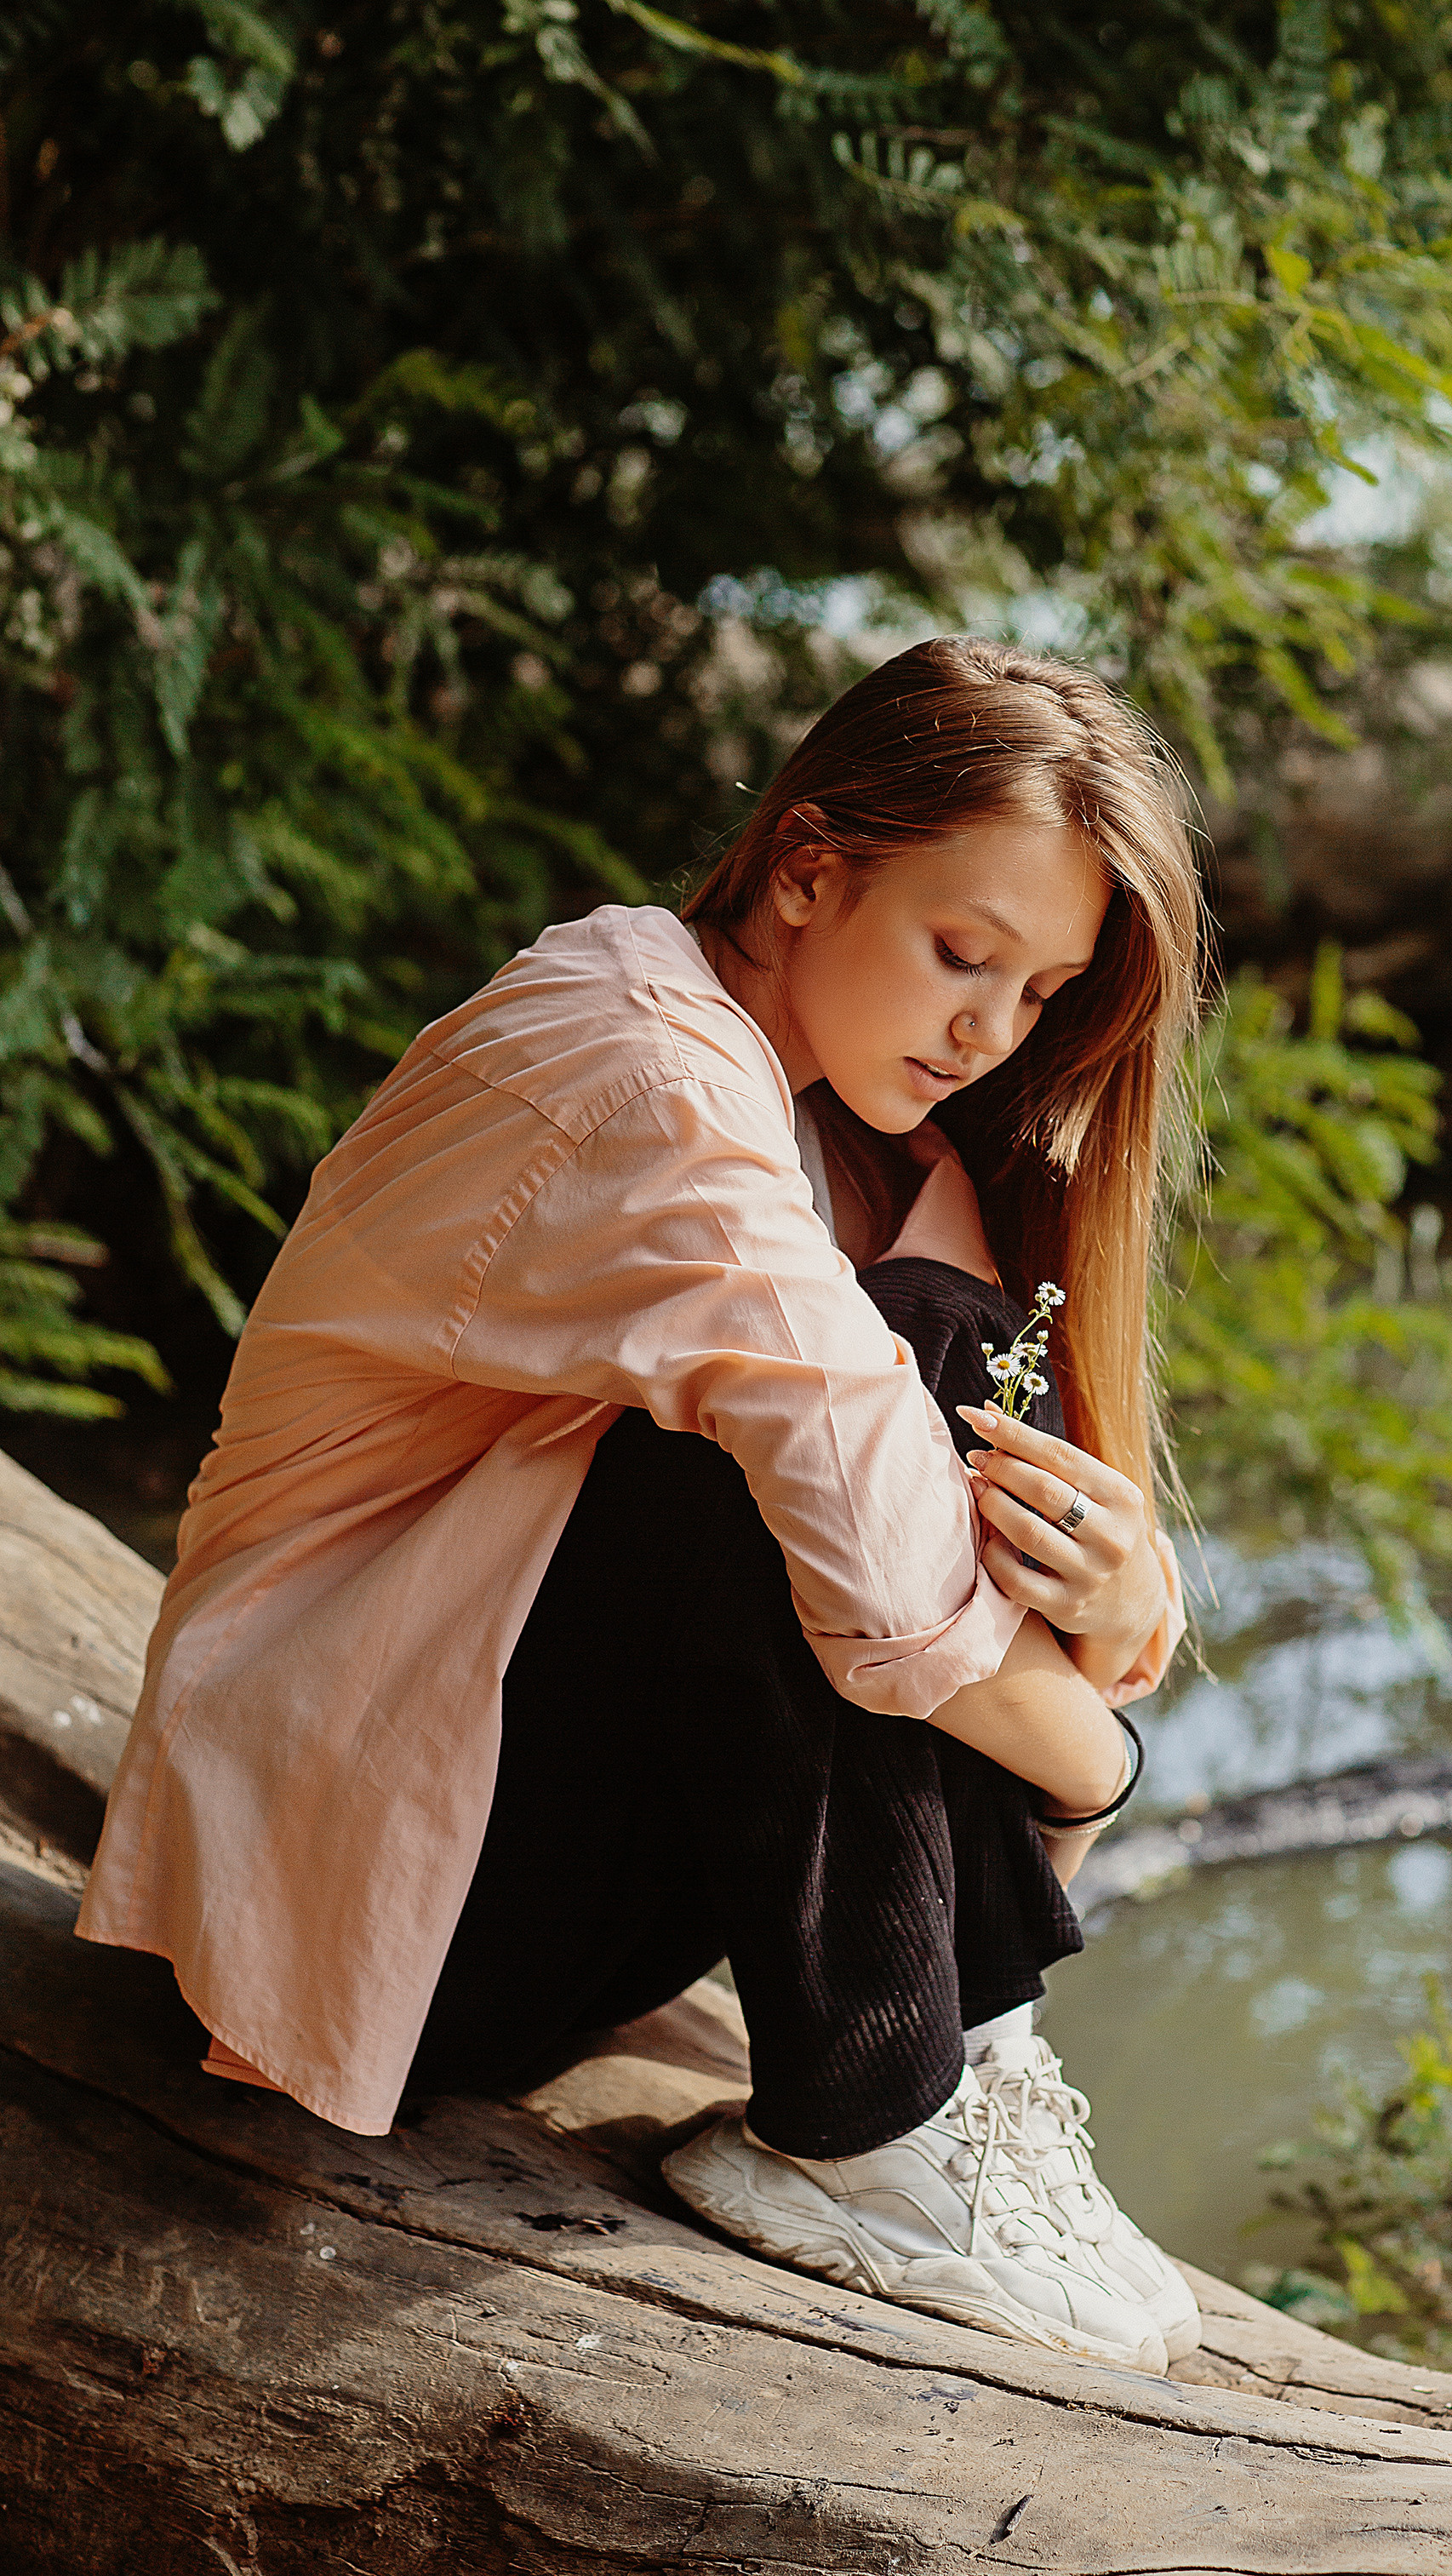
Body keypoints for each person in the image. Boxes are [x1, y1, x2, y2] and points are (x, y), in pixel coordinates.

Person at [78, 635, 1206, 2374]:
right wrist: (1108, 1756)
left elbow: (974, 1539)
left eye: (1042, 993)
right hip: (343, 1884)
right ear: (809, 866)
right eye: (963, 955)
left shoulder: (872, 1141)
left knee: (942, 1344)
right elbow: (893, 1578)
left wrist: (1125, 1598)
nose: (991, 1031)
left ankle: (957, 2078)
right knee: (779, 1439)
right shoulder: (638, 1063)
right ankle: (890, 2111)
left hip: (536, 1872)